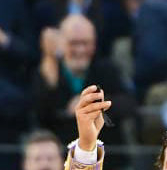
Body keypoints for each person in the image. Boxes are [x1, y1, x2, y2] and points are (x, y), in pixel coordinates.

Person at [34, 12, 135, 148]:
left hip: (105, 153)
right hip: (62, 153)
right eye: (74, 43)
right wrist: (50, 63)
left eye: (86, 43)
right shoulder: (47, 71)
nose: (80, 50)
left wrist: (92, 105)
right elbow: (39, 112)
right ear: (61, 43)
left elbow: (129, 104)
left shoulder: (106, 69)